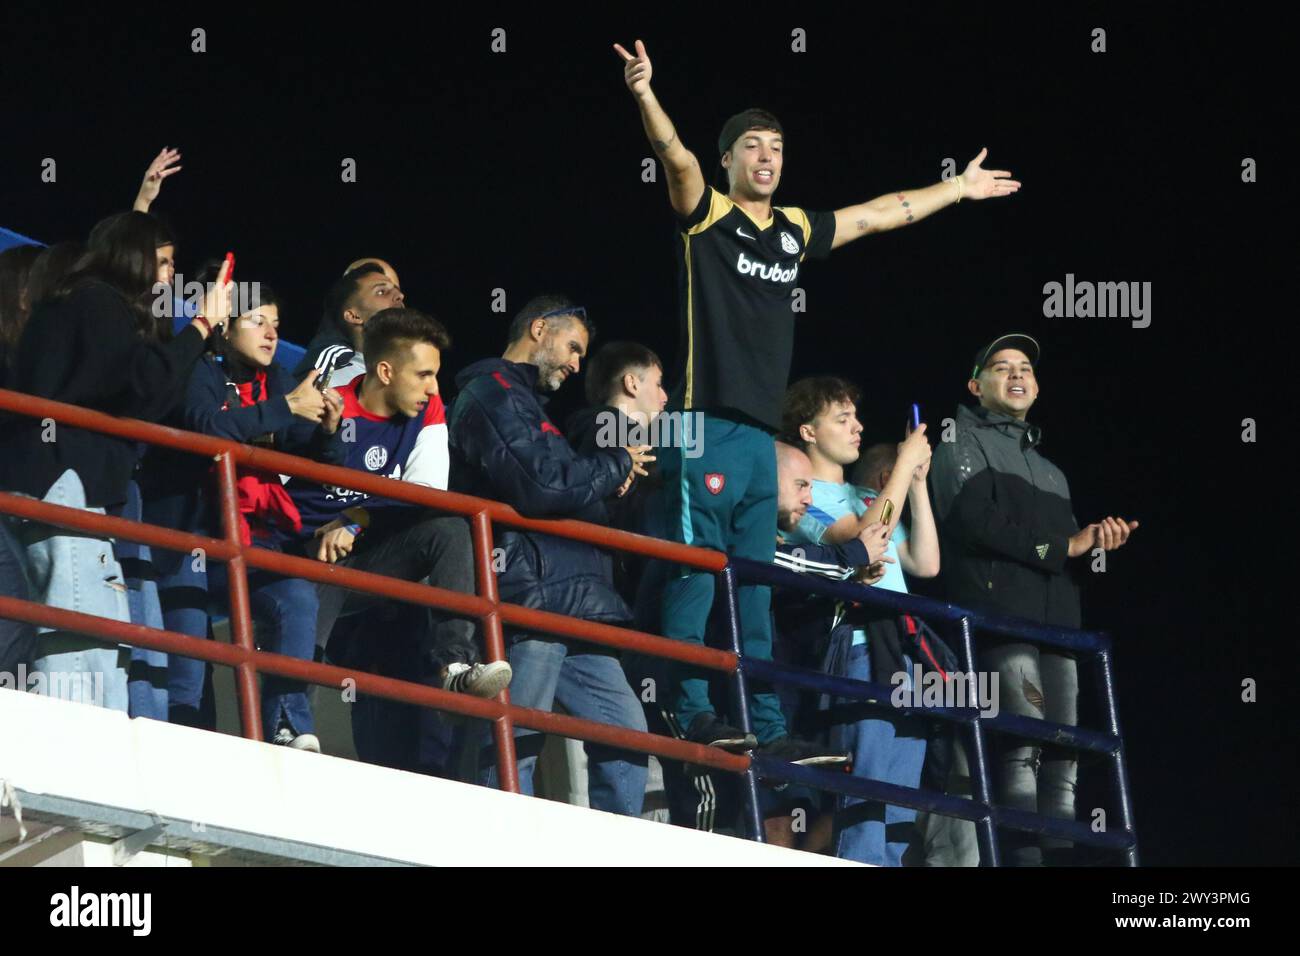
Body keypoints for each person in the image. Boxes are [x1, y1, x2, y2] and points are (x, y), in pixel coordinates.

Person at [612, 38, 1019, 758]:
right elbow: (674, 159)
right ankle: (688, 709)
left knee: (757, 586)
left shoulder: (795, 230)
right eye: (752, 147)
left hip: (757, 441)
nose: (766, 158)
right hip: (701, 428)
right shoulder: (705, 214)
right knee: (694, 573)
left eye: (776, 148)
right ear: (730, 160)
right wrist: (645, 94)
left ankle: (767, 727)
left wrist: (956, 188)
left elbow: (877, 214)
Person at [0, 211, 229, 711]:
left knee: (25, 629)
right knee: (85, 627)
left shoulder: (68, 302)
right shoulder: (98, 301)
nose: (170, 275)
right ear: (134, 257)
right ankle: (78, 758)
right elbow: (145, 388)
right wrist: (202, 325)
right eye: (164, 262)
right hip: (62, 480)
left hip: (29, 481)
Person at [929, 333, 1139, 865]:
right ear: (976, 385)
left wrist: (1096, 542)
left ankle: (1059, 860)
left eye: (1024, 367)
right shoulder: (960, 439)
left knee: (1063, 753)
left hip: (1058, 625)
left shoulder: (1052, 470)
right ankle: (1023, 861)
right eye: (1002, 367)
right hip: (1001, 619)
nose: (1017, 374)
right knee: (1023, 746)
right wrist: (1063, 544)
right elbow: (973, 522)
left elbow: (1065, 556)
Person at [447, 294, 652, 815]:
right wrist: (613, 464)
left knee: (629, 735)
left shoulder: (530, 407)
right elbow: (542, 485)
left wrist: (606, 481)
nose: (577, 364)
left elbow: (557, 486)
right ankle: (505, 847)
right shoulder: (490, 391)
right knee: (518, 740)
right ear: (539, 329)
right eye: (573, 347)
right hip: (530, 599)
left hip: (577, 602)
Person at [289, 307, 509, 772]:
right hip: (305, 557)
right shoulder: (327, 403)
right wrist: (321, 532)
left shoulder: (427, 410)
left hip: (370, 555)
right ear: (384, 371)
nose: (434, 387)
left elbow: (427, 494)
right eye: (424, 374)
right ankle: (287, 722)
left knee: (451, 529)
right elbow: (279, 488)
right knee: (316, 580)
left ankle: (453, 667)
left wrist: (354, 518)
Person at [294, 263, 405, 384]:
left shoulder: (418, 366)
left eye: (396, 289)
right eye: (381, 292)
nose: (400, 295)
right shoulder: (335, 370)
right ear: (353, 316)